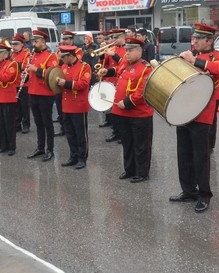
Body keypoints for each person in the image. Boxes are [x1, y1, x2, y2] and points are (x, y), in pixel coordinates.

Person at [169, 23, 219, 213]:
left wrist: (194, 60)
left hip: (202, 112)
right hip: (183, 109)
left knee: (200, 156)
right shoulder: (190, 55)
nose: (195, 41)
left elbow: (217, 70)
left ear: (209, 40)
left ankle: (204, 195)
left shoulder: (216, 57)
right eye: (195, 38)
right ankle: (188, 190)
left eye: (199, 38)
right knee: (183, 153)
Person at [98, 37, 154, 182]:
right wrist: (107, 71)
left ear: (139, 51)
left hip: (139, 114)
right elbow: (117, 71)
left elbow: (143, 90)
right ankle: (129, 169)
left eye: (130, 50)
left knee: (141, 145)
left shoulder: (146, 68)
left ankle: (142, 172)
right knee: (127, 143)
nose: (126, 53)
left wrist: (128, 102)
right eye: (126, 50)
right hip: (121, 112)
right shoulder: (126, 63)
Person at [56, 45, 92, 170]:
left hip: (78, 106)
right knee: (70, 133)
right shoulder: (64, 67)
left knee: (80, 134)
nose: (61, 59)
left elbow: (83, 84)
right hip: (66, 105)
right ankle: (73, 156)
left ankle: (82, 158)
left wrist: (65, 83)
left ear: (70, 56)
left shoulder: (84, 67)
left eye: (63, 57)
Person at [26, 30, 59, 161]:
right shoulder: (33, 55)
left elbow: (53, 74)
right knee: (38, 123)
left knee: (47, 123)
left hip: (45, 93)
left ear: (44, 42)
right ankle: (40, 148)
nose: (34, 43)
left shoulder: (51, 56)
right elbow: (31, 74)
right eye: (33, 41)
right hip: (32, 92)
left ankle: (50, 149)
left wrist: (36, 70)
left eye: (37, 41)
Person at [11, 33, 32, 134]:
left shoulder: (26, 53)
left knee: (24, 106)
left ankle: (26, 124)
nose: (13, 47)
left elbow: (26, 65)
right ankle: (17, 124)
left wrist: (15, 64)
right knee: (16, 106)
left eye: (16, 44)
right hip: (14, 83)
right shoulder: (12, 54)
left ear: (21, 44)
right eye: (13, 45)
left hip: (23, 83)